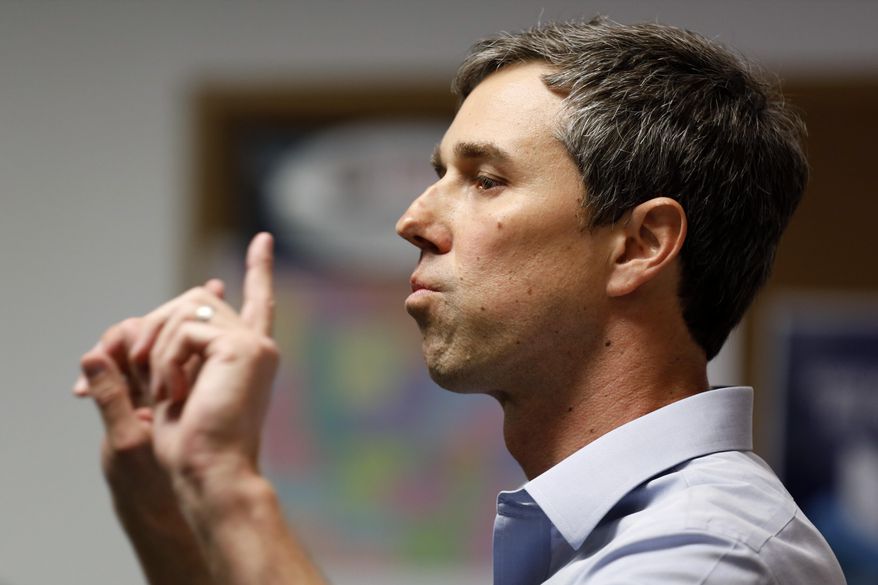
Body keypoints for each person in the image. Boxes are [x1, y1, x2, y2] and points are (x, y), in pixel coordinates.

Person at [74, 17, 846, 585]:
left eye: (484, 179)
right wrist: (164, 502)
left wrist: (229, 485)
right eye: (439, 172)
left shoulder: (709, 554)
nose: (412, 219)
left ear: (640, 245)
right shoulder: (601, 537)